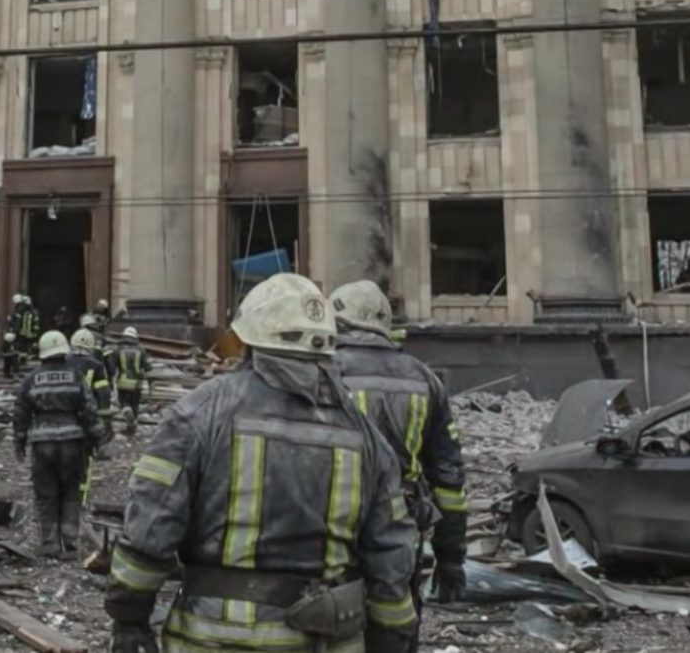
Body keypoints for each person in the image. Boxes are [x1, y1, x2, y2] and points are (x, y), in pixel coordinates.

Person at [105, 273, 419, 653]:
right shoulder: (365, 435)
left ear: (249, 339)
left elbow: (152, 524)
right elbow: (391, 554)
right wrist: (392, 637)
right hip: (328, 638)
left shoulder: (202, 412)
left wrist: (130, 617)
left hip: (215, 637)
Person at [331, 280, 468, 645]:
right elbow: (449, 479)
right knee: (396, 619)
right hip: (404, 525)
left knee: (335, 620)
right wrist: (451, 557)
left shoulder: (324, 372)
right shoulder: (424, 377)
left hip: (335, 520)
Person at [13, 330, 102, 560]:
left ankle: (50, 542)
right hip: (72, 442)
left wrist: (19, 441)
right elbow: (89, 411)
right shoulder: (75, 377)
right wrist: (95, 439)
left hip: (43, 443)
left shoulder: (32, 379)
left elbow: (21, 412)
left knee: (46, 493)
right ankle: (70, 541)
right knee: (71, 491)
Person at [113, 326, 151, 436]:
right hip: (137, 383)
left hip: (123, 381)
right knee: (135, 404)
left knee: (123, 401)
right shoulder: (141, 349)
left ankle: (126, 409)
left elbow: (112, 366)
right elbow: (148, 367)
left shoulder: (118, 349)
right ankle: (132, 430)